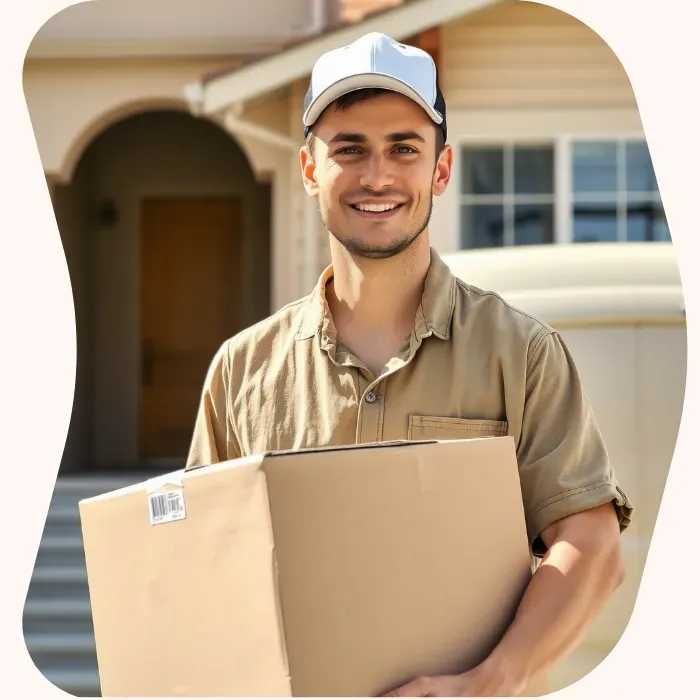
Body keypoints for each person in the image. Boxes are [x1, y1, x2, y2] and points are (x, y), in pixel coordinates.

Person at [186, 32, 633, 698]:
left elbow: (592, 549)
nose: (377, 176)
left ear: (441, 170)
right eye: (350, 150)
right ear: (310, 170)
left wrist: (487, 682)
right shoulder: (241, 372)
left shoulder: (523, 353)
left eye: (404, 148)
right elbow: (200, 562)